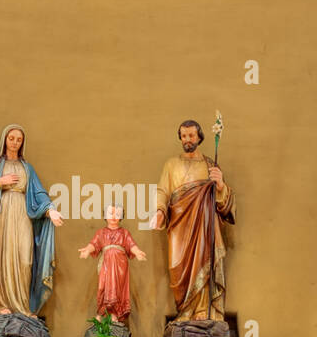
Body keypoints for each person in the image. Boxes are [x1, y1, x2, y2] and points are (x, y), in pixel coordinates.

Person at [0, 124, 64, 317]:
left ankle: (23, 307)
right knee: (4, 258)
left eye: (19, 139)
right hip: (2, 215)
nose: (15, 142)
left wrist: (50, 210)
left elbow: (39, 193)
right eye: (11, 138)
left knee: (25, 259)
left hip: (23, 214)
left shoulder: (27, 168)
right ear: (5, 140)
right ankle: (0, 304)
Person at [151, 119, 235, 323]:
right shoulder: (171, 164)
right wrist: (160, 211)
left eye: (191, 135)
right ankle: (185, 310)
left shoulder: (209, 164)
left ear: (199, 137)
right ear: (180, 136)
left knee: (204, 263)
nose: (187, 139)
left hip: (204, 225)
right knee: (178, 267)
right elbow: (162, 190)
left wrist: (221, 184)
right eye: (184, 135)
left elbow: (223, 205)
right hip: (179, 225)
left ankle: (203, 311)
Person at [79, 204, 147, 323]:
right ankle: (100, 313)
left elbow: (131, 245)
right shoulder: (101, 233)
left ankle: (115, 314)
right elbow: (94, 244)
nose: (114, 216)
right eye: (111, 213)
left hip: (120, 265)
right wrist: (87, 250)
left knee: (117, 289)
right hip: (105, 264)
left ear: (121, 216)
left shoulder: (124, 233)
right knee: (102, 287)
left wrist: (137, 252)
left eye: (117, 214)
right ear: (105, 215)